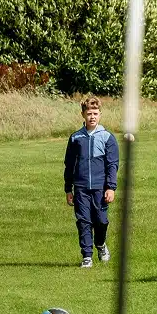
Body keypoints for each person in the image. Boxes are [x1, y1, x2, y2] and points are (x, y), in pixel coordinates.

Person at [64, 95, 119, 268]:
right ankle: (86, 256)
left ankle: (101, 244)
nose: (92, 117)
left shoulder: (107, 137)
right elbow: (69, 164)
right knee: (83, 221)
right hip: (80, 187)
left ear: (100, 114)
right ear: (83, 115)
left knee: (101, 221)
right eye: (89, 113)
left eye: (95, 113)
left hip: (100, 187)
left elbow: (112, 164)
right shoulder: (75, 138)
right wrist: (68, 189)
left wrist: (110, 187)